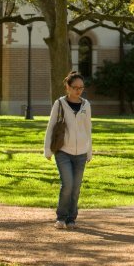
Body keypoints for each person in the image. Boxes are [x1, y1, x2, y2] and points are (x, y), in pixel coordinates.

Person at [44, 71, 92, 229]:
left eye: (81, 88)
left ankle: (72, 218)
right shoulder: (59, 104)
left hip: (81, 153)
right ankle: (61, 217)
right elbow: (51, 127)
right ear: (67, 87)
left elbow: (88, 129)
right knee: (68, 184)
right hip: (63, 151)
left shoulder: (86, 105)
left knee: (76, 187)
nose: (78, 90)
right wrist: (48, 150)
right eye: (75, 87)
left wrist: (89, 150)